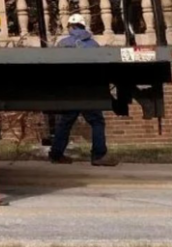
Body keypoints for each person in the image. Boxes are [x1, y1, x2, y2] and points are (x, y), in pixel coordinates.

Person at [48, 13, 119, 166]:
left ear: (70, 27)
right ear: (83, 26)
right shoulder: (93, 44)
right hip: (89, 89)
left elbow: (55, 67)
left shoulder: (62, 44)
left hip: (70, 89)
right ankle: (98, 156)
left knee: (65, 122)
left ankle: (56, 154)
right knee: (97, 121)